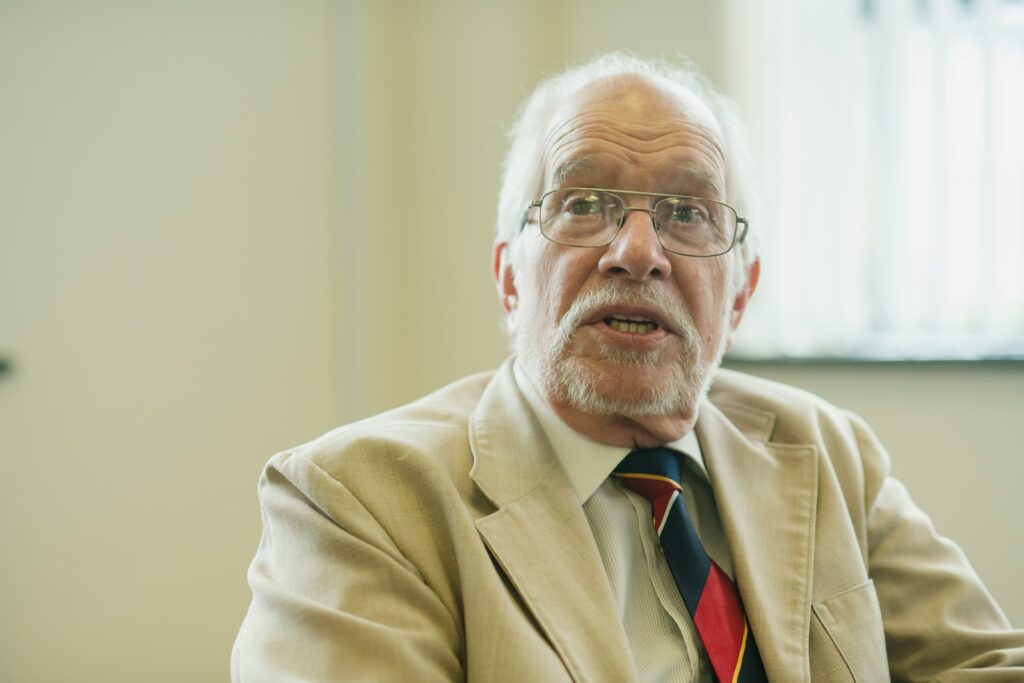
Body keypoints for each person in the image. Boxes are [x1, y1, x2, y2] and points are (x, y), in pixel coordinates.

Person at [232, 53, 1024, 681]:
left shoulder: (829, 453)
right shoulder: (358, 500)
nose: (638, 251)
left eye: (688, 212)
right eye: (583, 204)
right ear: (510, 279)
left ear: (740, 295)